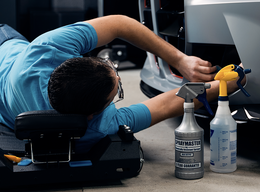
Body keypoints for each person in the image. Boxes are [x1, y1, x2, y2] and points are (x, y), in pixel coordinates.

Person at [0, 16, 240, 153]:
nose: (120, 77)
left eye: (110, 67)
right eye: (119, 90)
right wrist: (223, 86)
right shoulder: (98, 127)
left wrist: (180, 60)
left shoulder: (48, 48)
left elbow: (120, 24)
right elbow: (170, 103)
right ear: (92, 114)